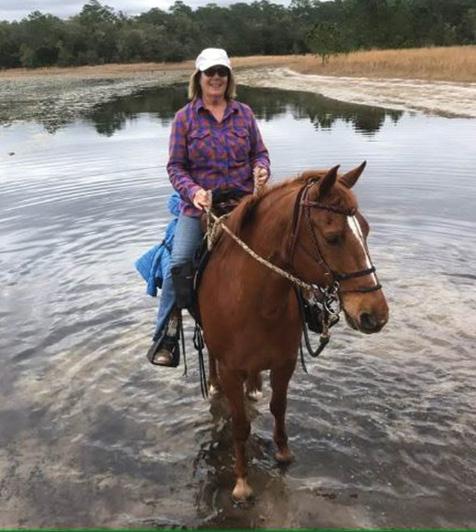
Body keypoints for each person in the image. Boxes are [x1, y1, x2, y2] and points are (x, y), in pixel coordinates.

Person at [147, 47, 270, 367]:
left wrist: (262, 169)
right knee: (179, 262)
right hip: (201, 206)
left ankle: (310, 310)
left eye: (222, 72)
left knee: (286, 239)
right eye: (210, 72)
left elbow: (260, 152)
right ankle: (168, 333)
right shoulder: (184, 118)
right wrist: (194, 192)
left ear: (229, 78)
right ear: (199, 78)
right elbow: (175, 167)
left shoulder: (244, 113)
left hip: (244, 201)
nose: (216, 78)